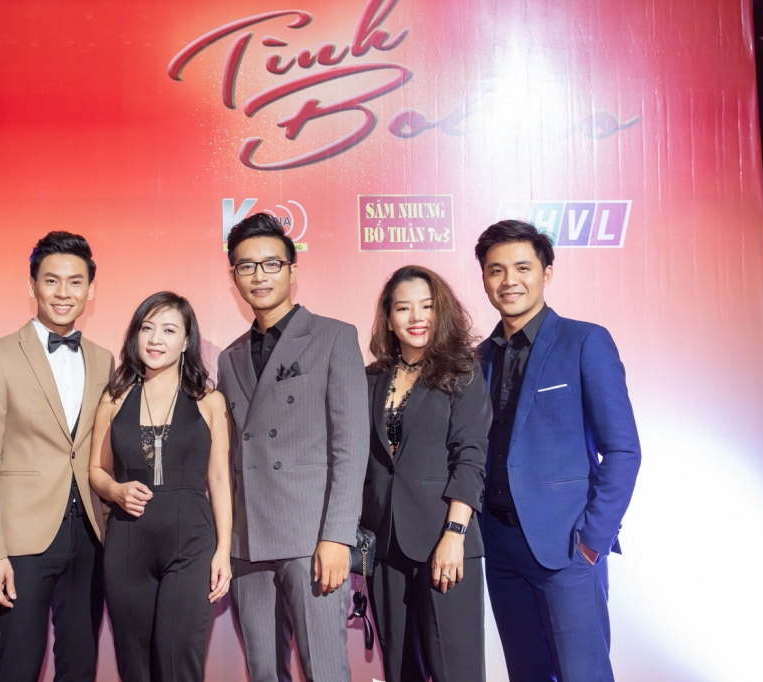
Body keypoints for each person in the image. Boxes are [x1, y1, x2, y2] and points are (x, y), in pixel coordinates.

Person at [475, 220, 642, 682]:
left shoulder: (585, 341)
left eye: (522, 268)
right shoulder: (479, 358)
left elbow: (623, 449)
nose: (509, 281)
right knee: (526, 674)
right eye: (496, 270)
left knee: (583, 673)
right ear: (484, 279)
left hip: (568, 548)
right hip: (500, 547)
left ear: (547, 273)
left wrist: (592, 541)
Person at [217, 213, 368, 682]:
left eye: (271, 264)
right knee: (264, 670)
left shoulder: (334, 336)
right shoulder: (229, 357)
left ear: (292, 269)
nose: (259, 276)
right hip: (248, 542)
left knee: (324, 669)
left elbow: (350, 447)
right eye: (246, 266)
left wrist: (337, 537)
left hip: (311, 538)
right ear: (234, 276)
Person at [0, 231, 113, 681]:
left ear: (90, 289)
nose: (63, 293)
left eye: (75, 282)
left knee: (80, 666)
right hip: (20, 542)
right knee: (18, 666)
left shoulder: (104, 359)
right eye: (51, 280)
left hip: (90, 537)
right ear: (32, 285)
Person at [88, 292, 232, 682]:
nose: (155, 339)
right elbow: (97, 471)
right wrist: (116, 491)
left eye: (169, 330)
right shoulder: (114, 399)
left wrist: (223, 550)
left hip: (192, 545)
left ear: (186, 341)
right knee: (134, 664)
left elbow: (220, 479)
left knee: (179, 661)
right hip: (127, 544)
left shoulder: (209, 401)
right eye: (147, 328)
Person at [362, 266, 491, 682]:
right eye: (404, 308)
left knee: (456, 670)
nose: (417, 317)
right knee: (401, 670)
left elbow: (470, 457)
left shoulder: (462, 372)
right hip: (385, 544)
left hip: (444, 542)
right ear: (388, 318)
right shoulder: (370, 378)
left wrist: (454, 534)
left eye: (427, 307)